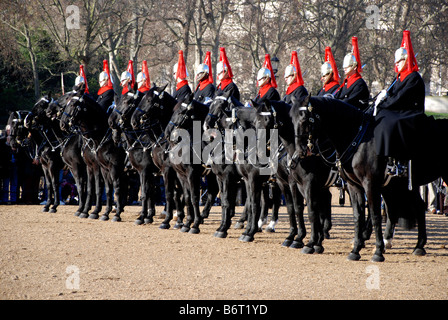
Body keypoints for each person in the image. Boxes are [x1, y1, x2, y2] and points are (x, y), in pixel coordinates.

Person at [373, 30, 425, 177]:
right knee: (381, 117)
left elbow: (400, 98)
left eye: (399, 61)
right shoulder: (399, 78)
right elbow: (392, 94)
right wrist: (381, 98)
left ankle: (398, 162)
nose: (396, 64)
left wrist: (383, 104)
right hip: (400, 110)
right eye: (395, 62)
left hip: (411, 113)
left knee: (392, 122)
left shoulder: (413, 77)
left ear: (406, 59)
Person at [334, 37, 370, 111]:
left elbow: (350, 100)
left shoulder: (359, 83)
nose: (345, 69)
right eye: (344, 67)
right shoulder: (347, 81)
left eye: (348, 67)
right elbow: (338, 96)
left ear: (354, 67)